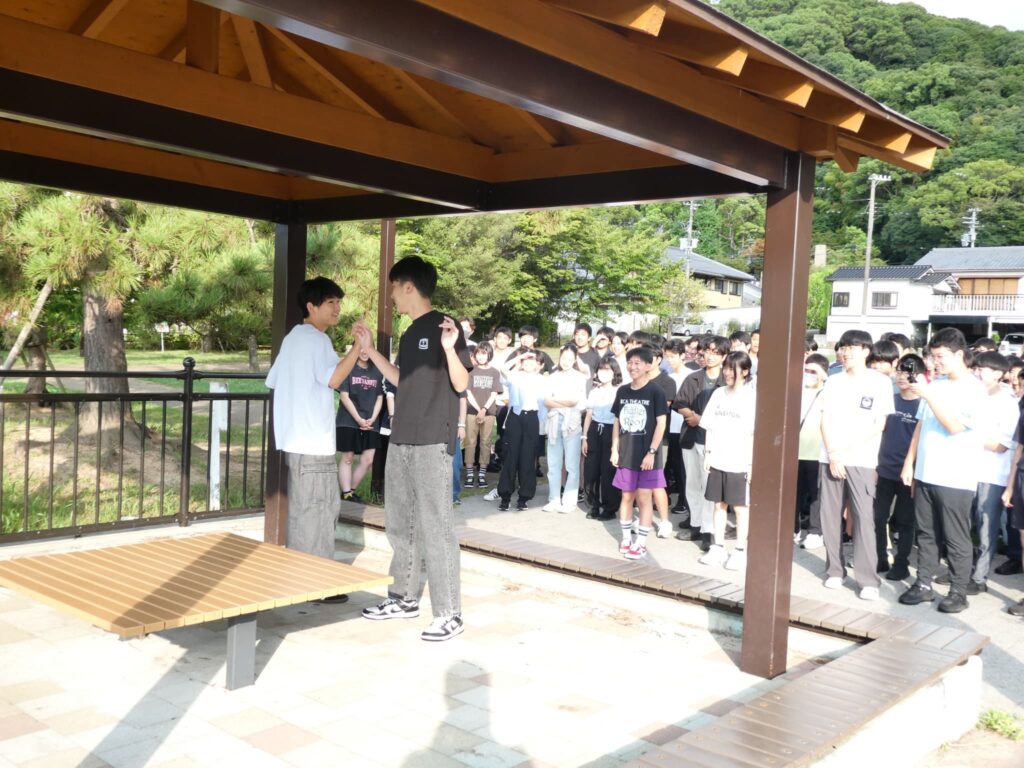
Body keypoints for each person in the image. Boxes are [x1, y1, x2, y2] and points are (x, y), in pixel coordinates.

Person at [354, 256, 471, 642]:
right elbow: (402, 380)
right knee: (400, 522)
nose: (391, 296)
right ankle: (403, 597)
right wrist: (371, 352)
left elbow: (461, 384)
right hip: (401, 435)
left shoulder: (445, 327)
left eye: (393, 288)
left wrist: (450, 349)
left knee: (436, 526)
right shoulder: (408, 334)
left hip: (433, 440)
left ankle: (449, 613)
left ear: (408, 286)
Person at [265, 277, 362, 575]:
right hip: (314, 442)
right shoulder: (318, 340)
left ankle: (300, 578)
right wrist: (358, 347)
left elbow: (272, 380)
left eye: (338, 302)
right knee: (318, 513)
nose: (337, 308)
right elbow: (334, 378)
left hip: (294, 442)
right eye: (330, 302)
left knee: (303, 513)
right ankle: (316, 583)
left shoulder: (292, 338)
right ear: (311, 306)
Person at [899, 328, 988, 614]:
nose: (935, 362)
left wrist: (929, 395)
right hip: (926, 471)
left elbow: (954, 427)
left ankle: (958, 591)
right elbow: (921, 425)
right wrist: (909, 462)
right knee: (925, 533)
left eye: (940, 357)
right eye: (933, 356)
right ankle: (923, 584)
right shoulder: (935, 385)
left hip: (955, 476)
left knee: (955, 536)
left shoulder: (974, 389)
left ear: (959, 354)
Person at [818, 329, 894, 601]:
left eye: (852, 347)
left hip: (861, 459)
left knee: (863, 518)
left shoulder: (880, 382)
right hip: (830, 457)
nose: (846, 352)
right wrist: (833, 454)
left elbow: (880, 424)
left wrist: (844, 452)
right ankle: (834, 571)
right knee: (830, 516)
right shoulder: (833, 381)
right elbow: (824, 420)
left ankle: (868, 580)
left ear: (866, 351)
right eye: (843, 347)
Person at [698, 351, 757, 570]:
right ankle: (718, 547)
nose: (727, 373)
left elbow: (754, 433)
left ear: (745, 371)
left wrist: (751, 463)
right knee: (718, 505)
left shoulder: (751, 397)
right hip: (718, 458)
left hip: (740, 460)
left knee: (741, 507)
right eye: (726, 368)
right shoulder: (718, 394)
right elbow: (709, 426)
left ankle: (740, 550)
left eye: (733, 369)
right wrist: (708, 452)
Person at [967, 351, 1019, 593]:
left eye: (982, 369)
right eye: (976, 368)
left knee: (985, 528)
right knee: (963, 524)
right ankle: (961, 570)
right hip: (965, 472)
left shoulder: (1007, 403)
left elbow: (1002, 445)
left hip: (992, 475)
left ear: (998, 374)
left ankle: (979, 578)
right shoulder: (970, 396)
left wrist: (966, 436)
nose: (976, 373)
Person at [611, 346, 668, 560]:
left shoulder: (656, 391)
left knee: (644, 497)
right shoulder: (622, 391)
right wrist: (614, 448)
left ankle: (641, 543)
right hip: (626, 453)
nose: (632, 367)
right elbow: (617, 421)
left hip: (647, 455)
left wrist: (652, 451)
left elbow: (661, 423)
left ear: (648, 365)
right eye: (630, 362)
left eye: (637, 363)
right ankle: (626, 538)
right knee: (626, 496)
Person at [873, 354, 925, 581]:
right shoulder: (890, 400)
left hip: (908, 474)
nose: (902, 377)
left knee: (905, 522)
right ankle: (880, 557)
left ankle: (902, 563)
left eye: (908, 373)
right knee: (878, 517)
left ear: (919, 376)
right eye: (900, 372)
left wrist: (914, 470)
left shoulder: (923, 405)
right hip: (884, 469)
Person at [674, 335, 728, 549]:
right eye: (708, 351)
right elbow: (680, 403)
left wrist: (702, 420)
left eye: (716, 352)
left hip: (714, 441)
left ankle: (709, 530)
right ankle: (695, 524)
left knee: (709, 487)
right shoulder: (693, 378)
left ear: (724, 356)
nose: (711, 356)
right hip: (691, 436)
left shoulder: (726, 380)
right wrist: (692, 416)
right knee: (692, 483)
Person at [498, 351, 547, 510]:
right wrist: (519, 357)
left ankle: (524, 497)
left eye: (532, 361)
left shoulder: (541, 380)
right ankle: (505, 496)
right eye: (526, 361)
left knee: (528, 457)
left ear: (538, 365)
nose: (528, 363)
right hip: (515, 416)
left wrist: (541, 425)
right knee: (510, 456)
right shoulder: (515, 376)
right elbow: (503, 368)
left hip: (532, 417)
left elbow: (543, 405)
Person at [335, 346, 384, 504]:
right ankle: (346, 493)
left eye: (367, 348)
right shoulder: (347, 368)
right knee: (348, 457)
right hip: (348, 419)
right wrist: (358, 418)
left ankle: (351, 491)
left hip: (371, 421)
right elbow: (344, 396)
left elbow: (380, 397)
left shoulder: (377, 371)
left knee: (368, 459)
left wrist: (372, 418)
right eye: (360, 348)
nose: (364, 352)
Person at [543, 345, 588, 513]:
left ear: (575, 359)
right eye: (564, 358)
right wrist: (565, 402)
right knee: (553, 463)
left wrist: (557, 402)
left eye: (570, 359)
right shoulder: (553, 377)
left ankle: (569, 501)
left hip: (572, 423)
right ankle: (554, 499)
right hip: (554, 421)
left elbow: (576, 401)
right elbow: (547, 401)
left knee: (571, 464)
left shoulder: (579, 377)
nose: (566, 362)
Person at [582, 357, 622, 521]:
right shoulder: (594, 391)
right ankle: (593, 505)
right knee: (591, 470)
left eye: (607, 370)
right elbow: (589, 415)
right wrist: (584, 437)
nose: (603, 373)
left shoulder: (619, 391)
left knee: (608, 471)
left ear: (614, 372)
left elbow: (617, 418)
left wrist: (615, 444)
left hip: (611, 430)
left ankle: (609, 507)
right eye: (601, 369)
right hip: (594, 430)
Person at [796, 353, 829, 549]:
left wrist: (822, 376)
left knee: (816, 494)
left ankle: (815, 531)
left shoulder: (828, 392)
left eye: (813, 371)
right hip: (795, 451)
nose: (808, 374)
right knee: (794, 493)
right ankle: (793, 528)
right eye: (806, 370)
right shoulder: (797, 390)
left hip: (817, 453)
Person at [464, 342, 503, 489]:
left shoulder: (494, 372)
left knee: (486, 442)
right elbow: (467, 392)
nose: (480, 357)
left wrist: (484, 409)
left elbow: (494, 393)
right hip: (471, 411)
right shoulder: (471, 371)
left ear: (489, 355)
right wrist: (478, 409)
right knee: (470, 442)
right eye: (478, 353)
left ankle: (482, 474)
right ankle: (469, 474)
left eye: (484, 353)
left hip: (489, 412)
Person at [662, 338, 690, 512]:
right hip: (668, 427)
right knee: (668, 464)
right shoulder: (667, 378)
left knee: (683, 467)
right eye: (667, 356)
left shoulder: (691, 376)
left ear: (682, 355)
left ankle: (684, 500)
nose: (669, 360)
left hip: (684, 427)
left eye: (672, 356)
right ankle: (666, 498)